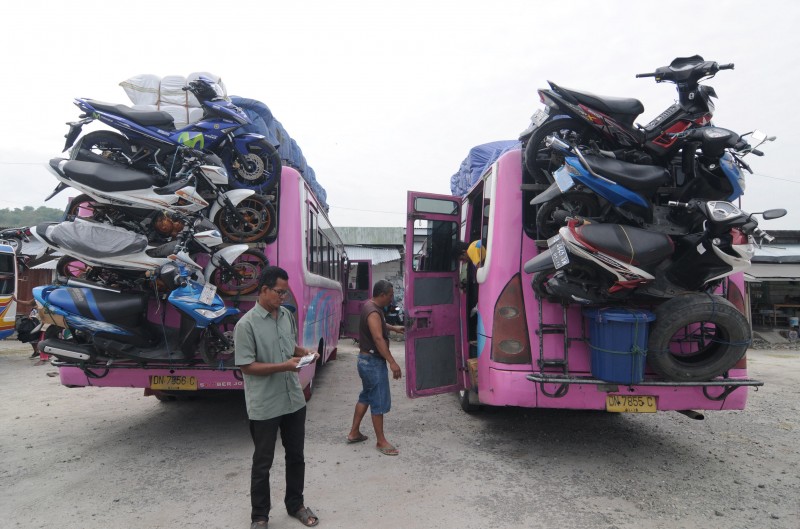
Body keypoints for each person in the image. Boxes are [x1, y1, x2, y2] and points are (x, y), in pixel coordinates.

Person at [234, 266, 320, 528]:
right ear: (264, 290)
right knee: (263, 462)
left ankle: (296, 505)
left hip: (292, 399)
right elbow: (247, 366)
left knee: (296, 456)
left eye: (285, 293)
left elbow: (287, 344)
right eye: (280, 293)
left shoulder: (285, 316)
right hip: (265, 404)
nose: (283, 298)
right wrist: (285, 365)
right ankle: (259, 516)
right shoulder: (245, 325)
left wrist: (303, 351)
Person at [346, 279, 404, 456]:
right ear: (382, 295)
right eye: (391, 295)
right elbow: (378, 338)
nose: (392, 299)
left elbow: (379, 325)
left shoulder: (371, 306)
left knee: (366, 396)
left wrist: (393, 328)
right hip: (372, 362)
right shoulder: (372, 311)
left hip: (366, 360)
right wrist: (392, 362)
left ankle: (354, 433)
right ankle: (381, 441)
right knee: (378, 400)